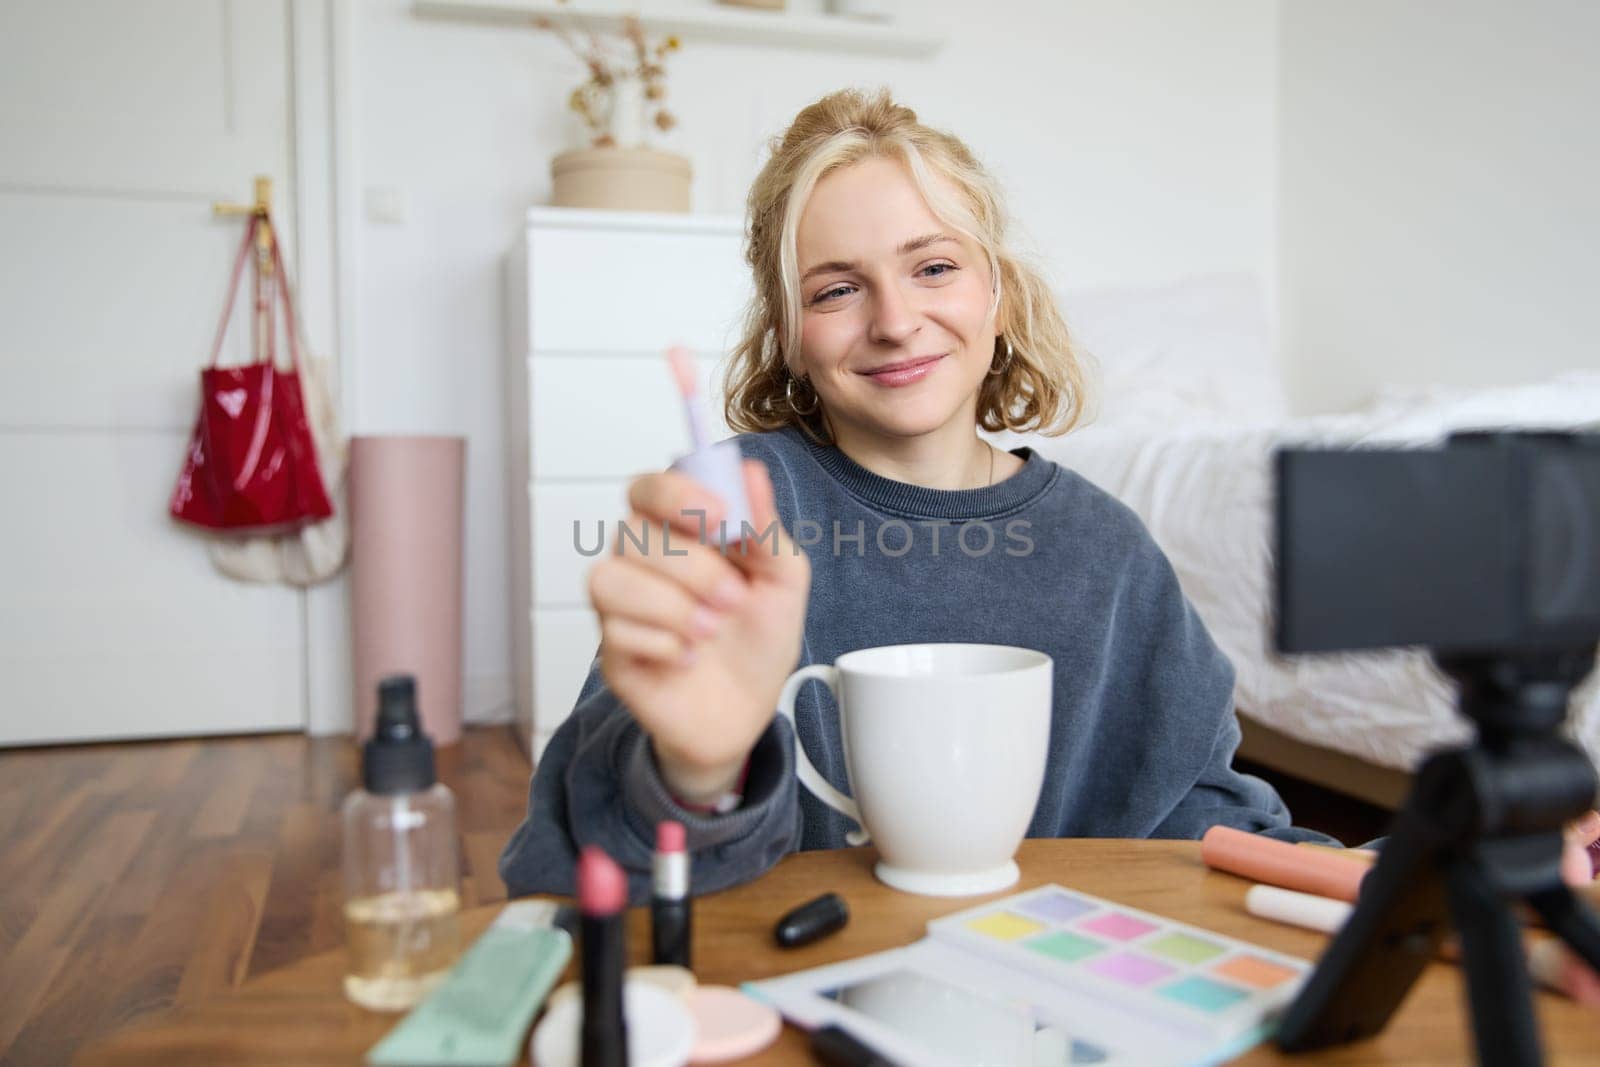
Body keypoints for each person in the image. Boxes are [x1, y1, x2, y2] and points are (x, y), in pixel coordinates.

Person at [499, 88, 1600, 905]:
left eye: (933, 267)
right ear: (788, 333)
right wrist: (696, 769)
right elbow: (567, 868)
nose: (893, 320)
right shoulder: (737, 512)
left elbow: (1199, 826)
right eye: (837, 288)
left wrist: (1436, 865)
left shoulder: (1107, 551)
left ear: (997, 293)